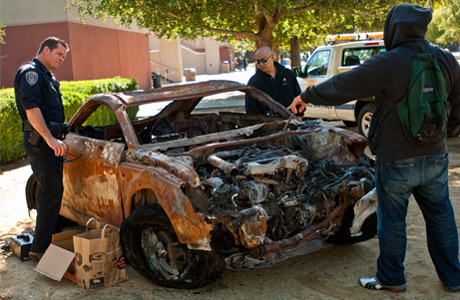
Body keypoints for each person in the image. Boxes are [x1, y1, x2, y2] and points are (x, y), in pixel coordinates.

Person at [288, 4, 460, 292]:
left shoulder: (388, 62)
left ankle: (392, 279)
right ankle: (454, 277)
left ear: (395, 28)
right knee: (441, 217)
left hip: (396, 158)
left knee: (392, 221)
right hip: (436, 154)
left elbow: (344, 84)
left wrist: (307, 96)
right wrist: (449, 130)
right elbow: (458, 99)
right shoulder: (444, 58)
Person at [14, 37, 70, 261]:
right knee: (50, 191)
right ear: (45, 49)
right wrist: (50, 139)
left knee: (54, 190)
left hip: (49, 140)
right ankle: (40, 249)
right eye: (59, 54)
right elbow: (32, 110)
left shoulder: (47, 75)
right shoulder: (31, 73)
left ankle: (49, 239)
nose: (61, 60)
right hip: (41, 142)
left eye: (64, 57)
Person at [245, 46, 301, 115]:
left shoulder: (288, 74)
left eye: (264, 60)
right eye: (258, 61)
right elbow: (251, 109)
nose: (261, 64)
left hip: (291, 119)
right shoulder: (254, 82)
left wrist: (299, 115)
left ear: (272, 58)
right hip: (267, 123)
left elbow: (298, 96)